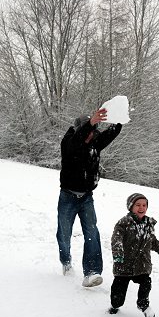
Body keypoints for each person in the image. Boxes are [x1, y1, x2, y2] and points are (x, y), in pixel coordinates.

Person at [56, 108, 122, 287]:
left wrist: (120, 120)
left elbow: (109, 135)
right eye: (89, 131)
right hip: (67, 196)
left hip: (86, 197)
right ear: (80, 129)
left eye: (94, 132)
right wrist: (90, 123)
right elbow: (76, 143)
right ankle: (66, 261)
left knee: (92, 233)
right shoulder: (69, 141)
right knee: (64, 233)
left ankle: (92, 272)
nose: (91, 136)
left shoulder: (94, 143)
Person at [109, 193, 159, 317]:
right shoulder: (124, 223)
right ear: (131, 207)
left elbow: (153, 242)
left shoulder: (149, 225)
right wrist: (118, 253)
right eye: (138, 205)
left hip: (141, 266)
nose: (141, 208)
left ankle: (143, 304)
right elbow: (117, 239)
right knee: (118, 293)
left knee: (146, 282)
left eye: (144, 205)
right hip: (124, 265)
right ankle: (115, 306)